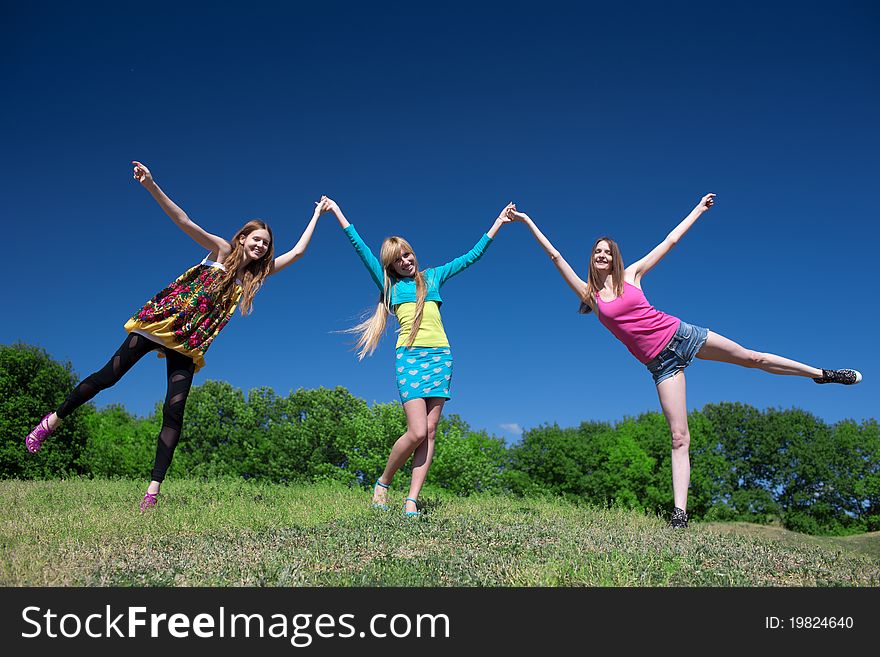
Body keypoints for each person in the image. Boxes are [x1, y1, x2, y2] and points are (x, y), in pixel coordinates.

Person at [508, 193, 861, 528]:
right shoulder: (591, 295)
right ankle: (680, 514)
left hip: (681, 334)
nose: (601, 255)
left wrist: (698, 210)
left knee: (751, 357)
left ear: (614, 256)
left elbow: (670, 240)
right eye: (596, 251)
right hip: (662, 364)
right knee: (679, 436)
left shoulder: (632, 275)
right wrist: (526, 221)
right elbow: (555, 256)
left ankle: (822, 373)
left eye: (606, 251)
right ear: (591, 258)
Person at [25, 161, 327, 511]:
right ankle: (51, 422)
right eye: (256, 240)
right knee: (108, 376)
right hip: (160, 324)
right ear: (243, 238)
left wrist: (317, 214)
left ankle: (152, 491)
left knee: (175, 411)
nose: (261, 246)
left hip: (189, 343)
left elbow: (299, 252)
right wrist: (151, 185)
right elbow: (184, 221)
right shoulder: (221, 251)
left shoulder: (255, 277)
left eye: (266, 244)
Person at [321, 196, 513, 517]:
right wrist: (337, 211)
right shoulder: (389, 287)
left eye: (407, 254)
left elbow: (472, 256)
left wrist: (498, 223)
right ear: (391, 265)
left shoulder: (433, 277)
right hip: (409, 357)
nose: (405, 261)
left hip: (441, 357)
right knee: (417, 431)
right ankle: (383, 483)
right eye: (398, 259)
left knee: (432, 432)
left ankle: (411, 500)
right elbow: (359, 247)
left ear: (413, 253)